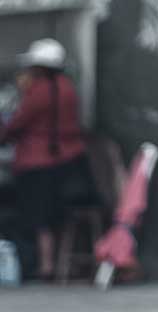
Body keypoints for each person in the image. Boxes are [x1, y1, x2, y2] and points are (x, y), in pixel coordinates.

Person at [0, 38, 92, 281]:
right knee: (53, 215)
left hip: (38, 163)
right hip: (68, 161)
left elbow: (18, 123)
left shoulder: (39, 92)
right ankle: (55, 263)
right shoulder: (67, 88)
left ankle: (46, 264)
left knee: (38, 216)